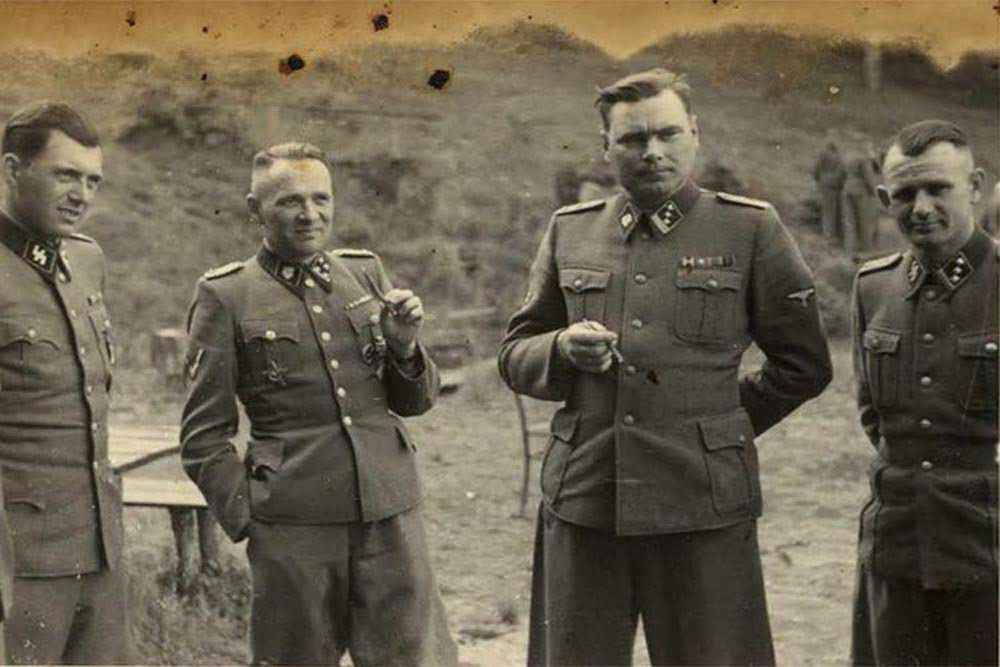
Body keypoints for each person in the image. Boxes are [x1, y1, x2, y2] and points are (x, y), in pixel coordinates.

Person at [498, 68, 833, 666]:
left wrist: (717, 432)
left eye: (667, 134)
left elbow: (804, 365)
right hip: (586, 499)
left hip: (701, 508)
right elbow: (516, 350)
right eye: (632, 140)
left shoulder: (750, 228)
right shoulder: (570, 232)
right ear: (606, 148)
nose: (652, 152)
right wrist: (561, 350)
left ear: (694, 135)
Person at [180, 142, 456, 666]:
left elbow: (416, 400)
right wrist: (253, 521)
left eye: (321, 199)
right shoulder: (227, 296)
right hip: (294, 529)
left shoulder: (365, 272)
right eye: (290, 202)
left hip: (389, 517)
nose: (310, 215)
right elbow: (202, 438)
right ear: (254, 209)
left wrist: (404, 347)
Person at [850, 120, 998, 666]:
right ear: (886, 197)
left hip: (991, 553)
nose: (922, 206)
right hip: (899, 546)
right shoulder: (874, 287)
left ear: (976, 186)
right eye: (906, 193)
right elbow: (876, 418)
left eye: (939, 188)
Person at [0, 102, 128, 664]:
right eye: (66, 175)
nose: (82, 194)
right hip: (18, 563)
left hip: (99, 549)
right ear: (11, 169)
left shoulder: (87, 261)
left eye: (92, 180)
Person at [842, 142, 883, 258]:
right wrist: (873, 192)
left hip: (847, 188)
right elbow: (868, 176)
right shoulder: (863, 159)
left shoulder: (847, 156)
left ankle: (849, 249)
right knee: (865, 221)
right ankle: (866, 249)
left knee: (850, 221)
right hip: (860, 191)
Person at [813, 139, 847, 241]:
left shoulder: (823, 155)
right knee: (835, 211)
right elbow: (843, 172)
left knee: (827, 211)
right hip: (835, 186)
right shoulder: (839, 158)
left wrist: (819, 180)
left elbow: (815, 170)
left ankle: (827, 234)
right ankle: (834, 234)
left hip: (824, 184)